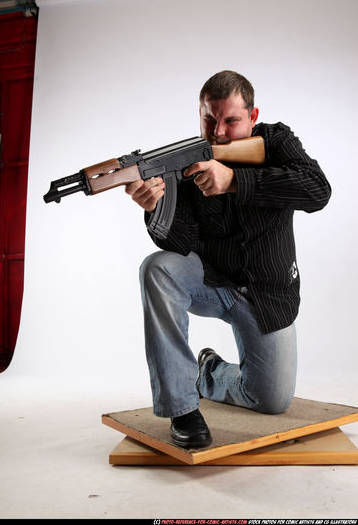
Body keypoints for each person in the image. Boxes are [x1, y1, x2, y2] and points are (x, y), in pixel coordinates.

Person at [125, 70, 331, 449]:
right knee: (157, 268)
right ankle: (182, 406)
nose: (218, 132)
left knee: (271, 400)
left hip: (268, 295)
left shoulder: (276, 141)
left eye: (231, 121)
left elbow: (318, 191)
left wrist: (235, 180)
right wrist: (154, 208)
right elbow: (182, 240)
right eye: (209, 119)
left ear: (252, 117)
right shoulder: (185, 162)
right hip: (212, 283)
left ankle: (208, 372)